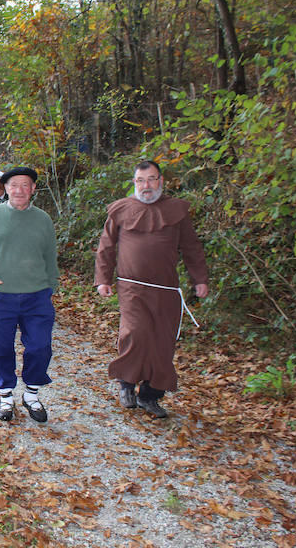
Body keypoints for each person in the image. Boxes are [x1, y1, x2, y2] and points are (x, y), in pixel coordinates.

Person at [94, 160, 209, 418]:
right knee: (135, 332)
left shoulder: (177, 211)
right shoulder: (121, 209)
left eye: (151, 179)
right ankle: (126, 385)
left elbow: (192, 247)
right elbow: (106, 246)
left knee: (162, 343)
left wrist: (199, 279)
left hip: (166, 291)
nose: (146, 185)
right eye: (141, 180)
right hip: (132, 287)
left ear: (161, 181)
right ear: (134, 183)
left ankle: (150, 395)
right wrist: (103, 279)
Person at [0, 167, 59, 423]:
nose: (19, 190)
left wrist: (50, 285)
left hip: (37, 296)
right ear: (5, 188)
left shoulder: (42, 219)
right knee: (0, 347)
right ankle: (6, 395)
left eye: (25, 185)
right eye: (14, 185)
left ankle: (31, 394)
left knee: (40, 346)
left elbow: (50, 256)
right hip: (0, 295)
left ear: (33, 189)